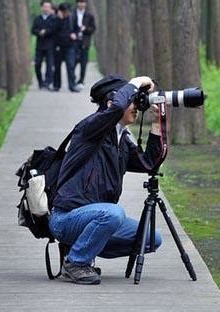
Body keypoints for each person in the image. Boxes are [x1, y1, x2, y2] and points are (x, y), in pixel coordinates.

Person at [50, 75, 163, 284]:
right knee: (113, 213)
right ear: (111, 103)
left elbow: (150, 164)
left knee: (152, 239)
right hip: (66, 218)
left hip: (97, 216)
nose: (136, 107)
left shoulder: (121, 138)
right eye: (132, 100)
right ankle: (76, 263)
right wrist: (136, 82)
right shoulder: (90, 128)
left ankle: (81, 249)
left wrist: (157, 125)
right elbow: (115, 109)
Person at [52, 3, 80, 92]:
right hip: (58, 46)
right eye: (64, 12)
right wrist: (59, 20)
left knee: (70, 65)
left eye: (68, 12)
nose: (66, 14)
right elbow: (52, 31)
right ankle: (56, 85)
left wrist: (75, 34)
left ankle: (72, 85)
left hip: (70, 46)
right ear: (60, 11)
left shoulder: (72, 18)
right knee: (57, 66)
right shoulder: (55, 19)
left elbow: (77, 29)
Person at [31, 1, 56, 90]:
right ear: (42, 8)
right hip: (39, 46)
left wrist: (45, 32)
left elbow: (54, 29)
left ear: (50, 8)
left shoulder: (54, 18)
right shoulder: (37, 18)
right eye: (44, 6)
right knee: (37, 64)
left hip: (50, 45)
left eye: (48, 7)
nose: (46, 8)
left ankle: (47, 82)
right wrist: (39, 32)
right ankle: (40, 82)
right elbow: (33, 30)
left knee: (50, 65)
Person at [72, 0, 96, 89]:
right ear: (77, 3)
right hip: (74, 42)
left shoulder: (89, 16)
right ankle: (73, 79)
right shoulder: (72, 14)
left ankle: (81, 81)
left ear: (85, 4)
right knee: (72, 62)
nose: (81, 4)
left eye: (83, 2)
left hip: (84, 42)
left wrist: (85, 29)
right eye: (79, 2)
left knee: (83, 63)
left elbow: (93, 29)